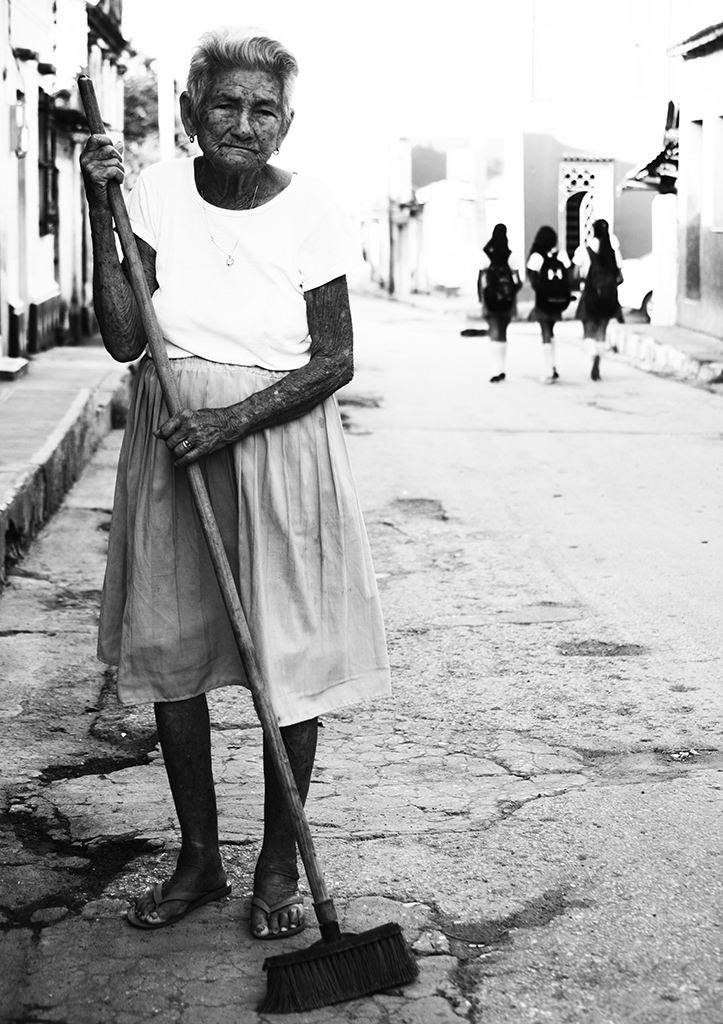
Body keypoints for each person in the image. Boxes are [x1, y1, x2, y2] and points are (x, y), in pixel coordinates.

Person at [79, 27, 391, 939]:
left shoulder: (313, 209)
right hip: (173, 441)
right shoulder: (156, 193)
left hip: (278, 445)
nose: (242, 125)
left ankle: (277, 862)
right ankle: (198, 860)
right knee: (174, 653)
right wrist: (104, 209)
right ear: (189, 113)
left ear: (286, 123)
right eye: (224, 104)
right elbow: (124, 338)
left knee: (284, 660)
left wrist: (231, 422)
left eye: (263, 110)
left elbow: (333, 360)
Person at [573, 219, 624, 381]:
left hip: (590, 297)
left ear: (593, 230)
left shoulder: (584, 251)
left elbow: (575, 275)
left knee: (588, 332)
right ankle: (598, 364)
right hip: (609, 299)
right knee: (601, 332)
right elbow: (620, 277)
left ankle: (593, 354)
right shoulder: (613, 251)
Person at [526, 225, 572, 384]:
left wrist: (543, 289)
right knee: (551, 332)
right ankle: (553, 367)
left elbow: (532, 279)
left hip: (543, 301)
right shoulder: (562, 256)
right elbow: (568, 276)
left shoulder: (536, 257)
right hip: (558, 300)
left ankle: (549, 370)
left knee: (545, 332)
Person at [477, 224, 522, 383]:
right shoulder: (511, 256)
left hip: (490, 300)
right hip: (507, 300)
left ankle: (495, 370)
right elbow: (518, 281)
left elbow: (482, 279)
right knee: (503, 333)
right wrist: (510, 293)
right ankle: (502, 368)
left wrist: (483, 298)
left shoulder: (486, 255)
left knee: (493, 332)